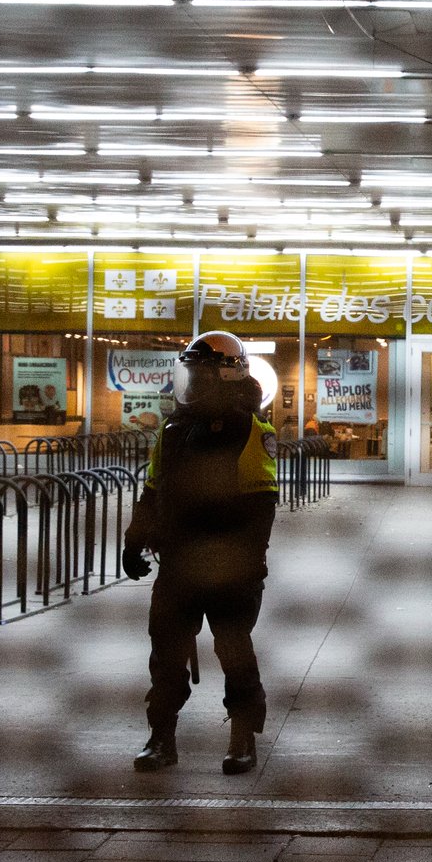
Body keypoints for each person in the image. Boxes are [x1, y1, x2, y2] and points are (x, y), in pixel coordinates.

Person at [121, 331, 279, 775]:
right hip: (179, 564)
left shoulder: (250, 429)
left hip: (230, 564)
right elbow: (152, 491)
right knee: (166, 652)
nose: (194, 382)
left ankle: (242, 736)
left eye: (202, 373)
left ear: (228, 375)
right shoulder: (173, 430)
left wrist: (245, 561)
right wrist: (135, 541)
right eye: (190, 373)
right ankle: (161, 737)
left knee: (233, 650)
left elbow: (260, 503)